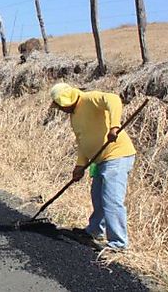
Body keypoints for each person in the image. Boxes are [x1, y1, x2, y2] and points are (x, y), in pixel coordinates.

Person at [49, 82, 136, 251]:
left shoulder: (89, 99)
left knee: (111, 199)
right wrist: (80, 165)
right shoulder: (74, 116)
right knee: (97, 196)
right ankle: (95, 231)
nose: (61, 109)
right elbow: (82, 141)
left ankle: (118, 244)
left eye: (61, 106)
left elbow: (113, 99)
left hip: (117, 155)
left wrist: (114, 126)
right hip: (99, 160)